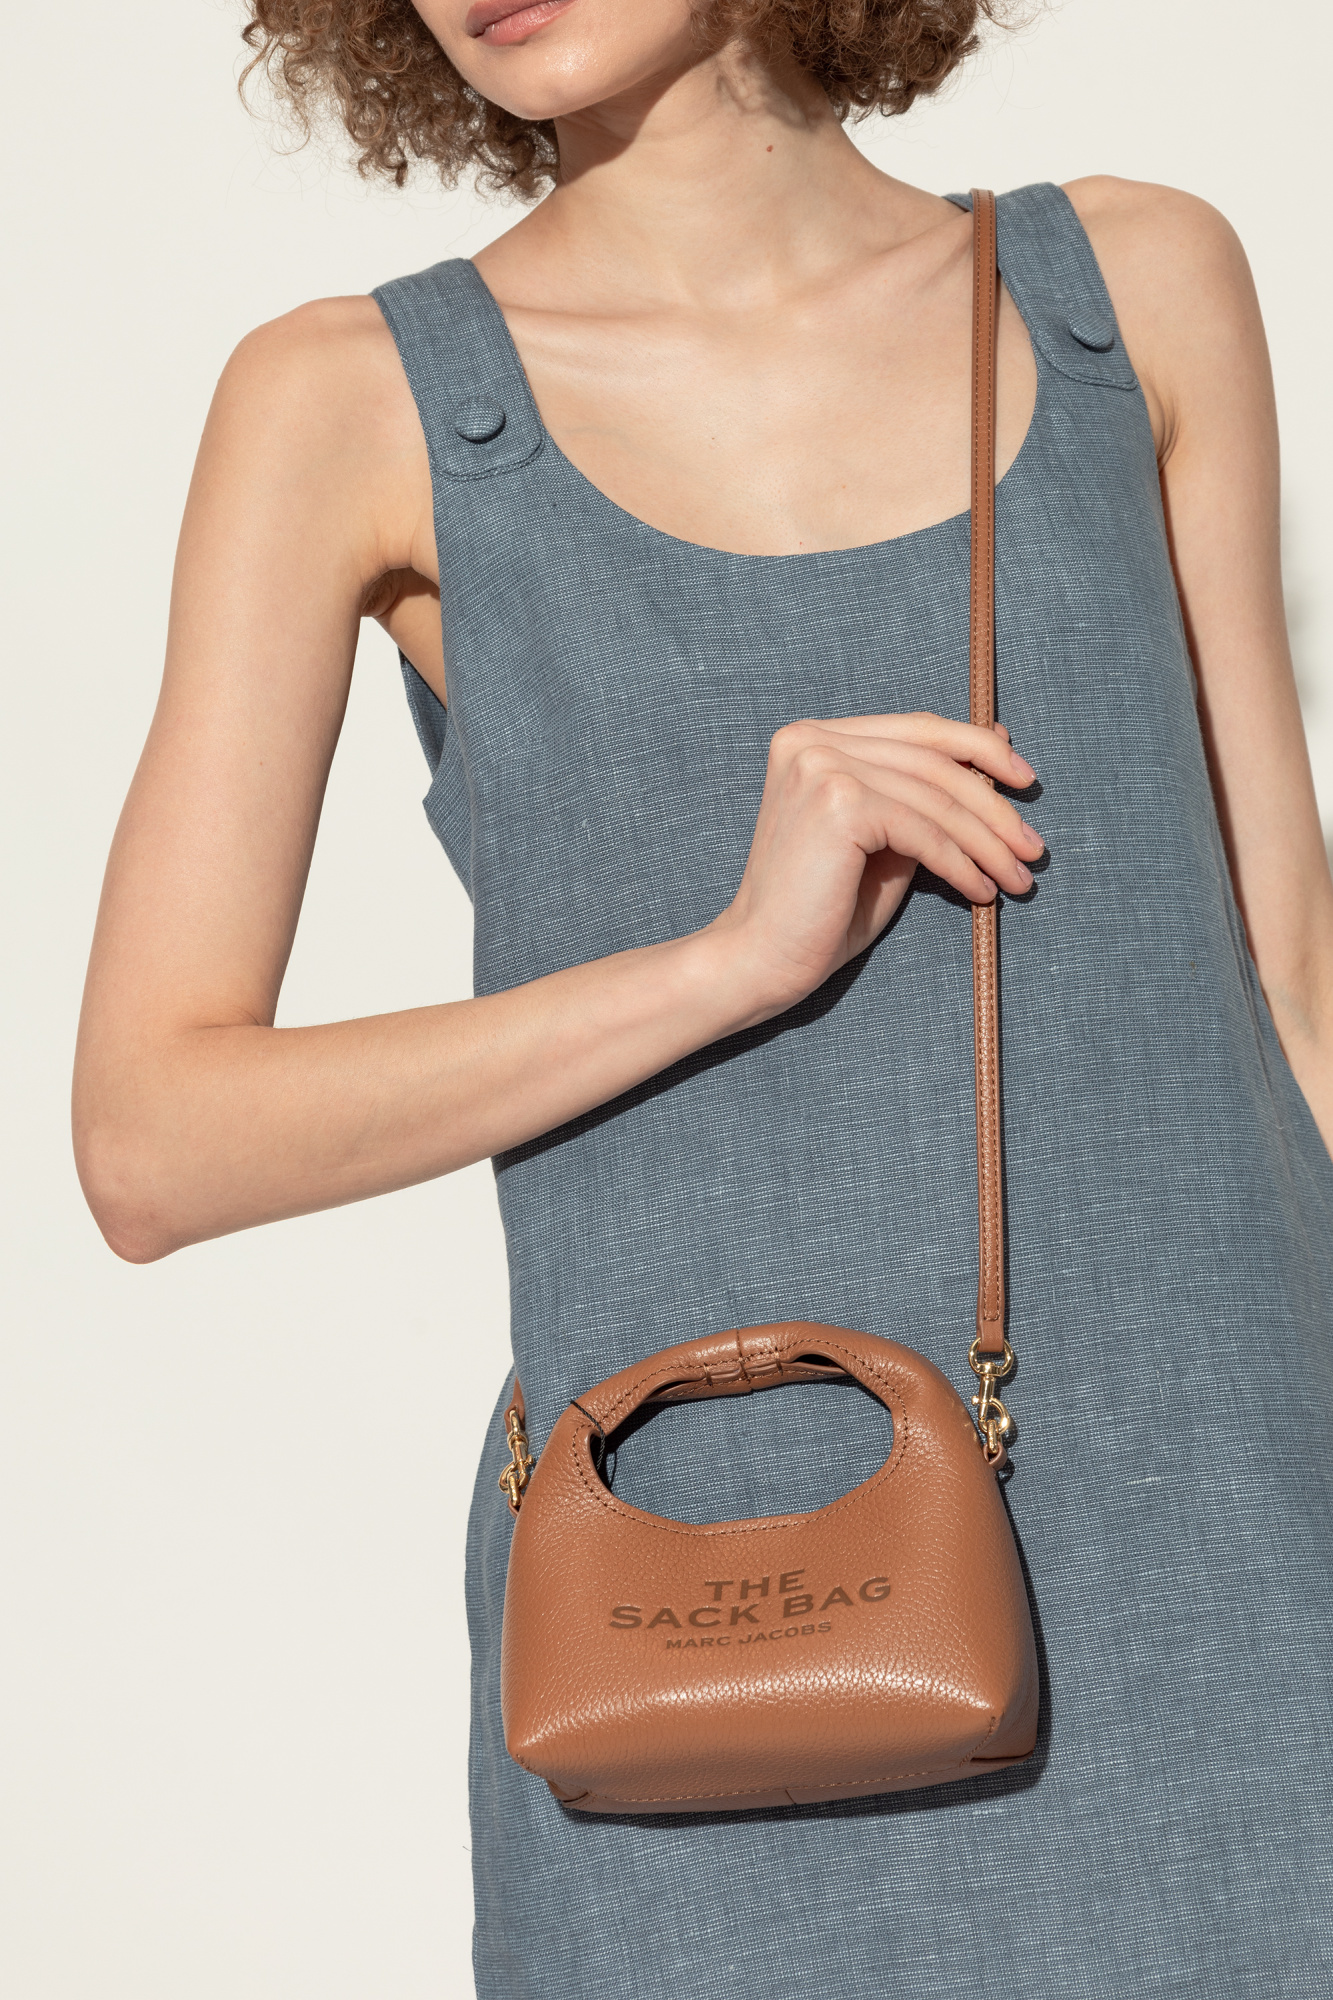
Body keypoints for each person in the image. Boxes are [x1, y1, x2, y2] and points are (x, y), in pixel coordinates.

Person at [73, 1, 1333, 1994]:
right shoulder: (349, 404)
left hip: (1238, 1588)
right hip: (723, 1620)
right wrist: (725, 962)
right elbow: (154, 1142)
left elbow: (1290, 985)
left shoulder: (1131, 286)